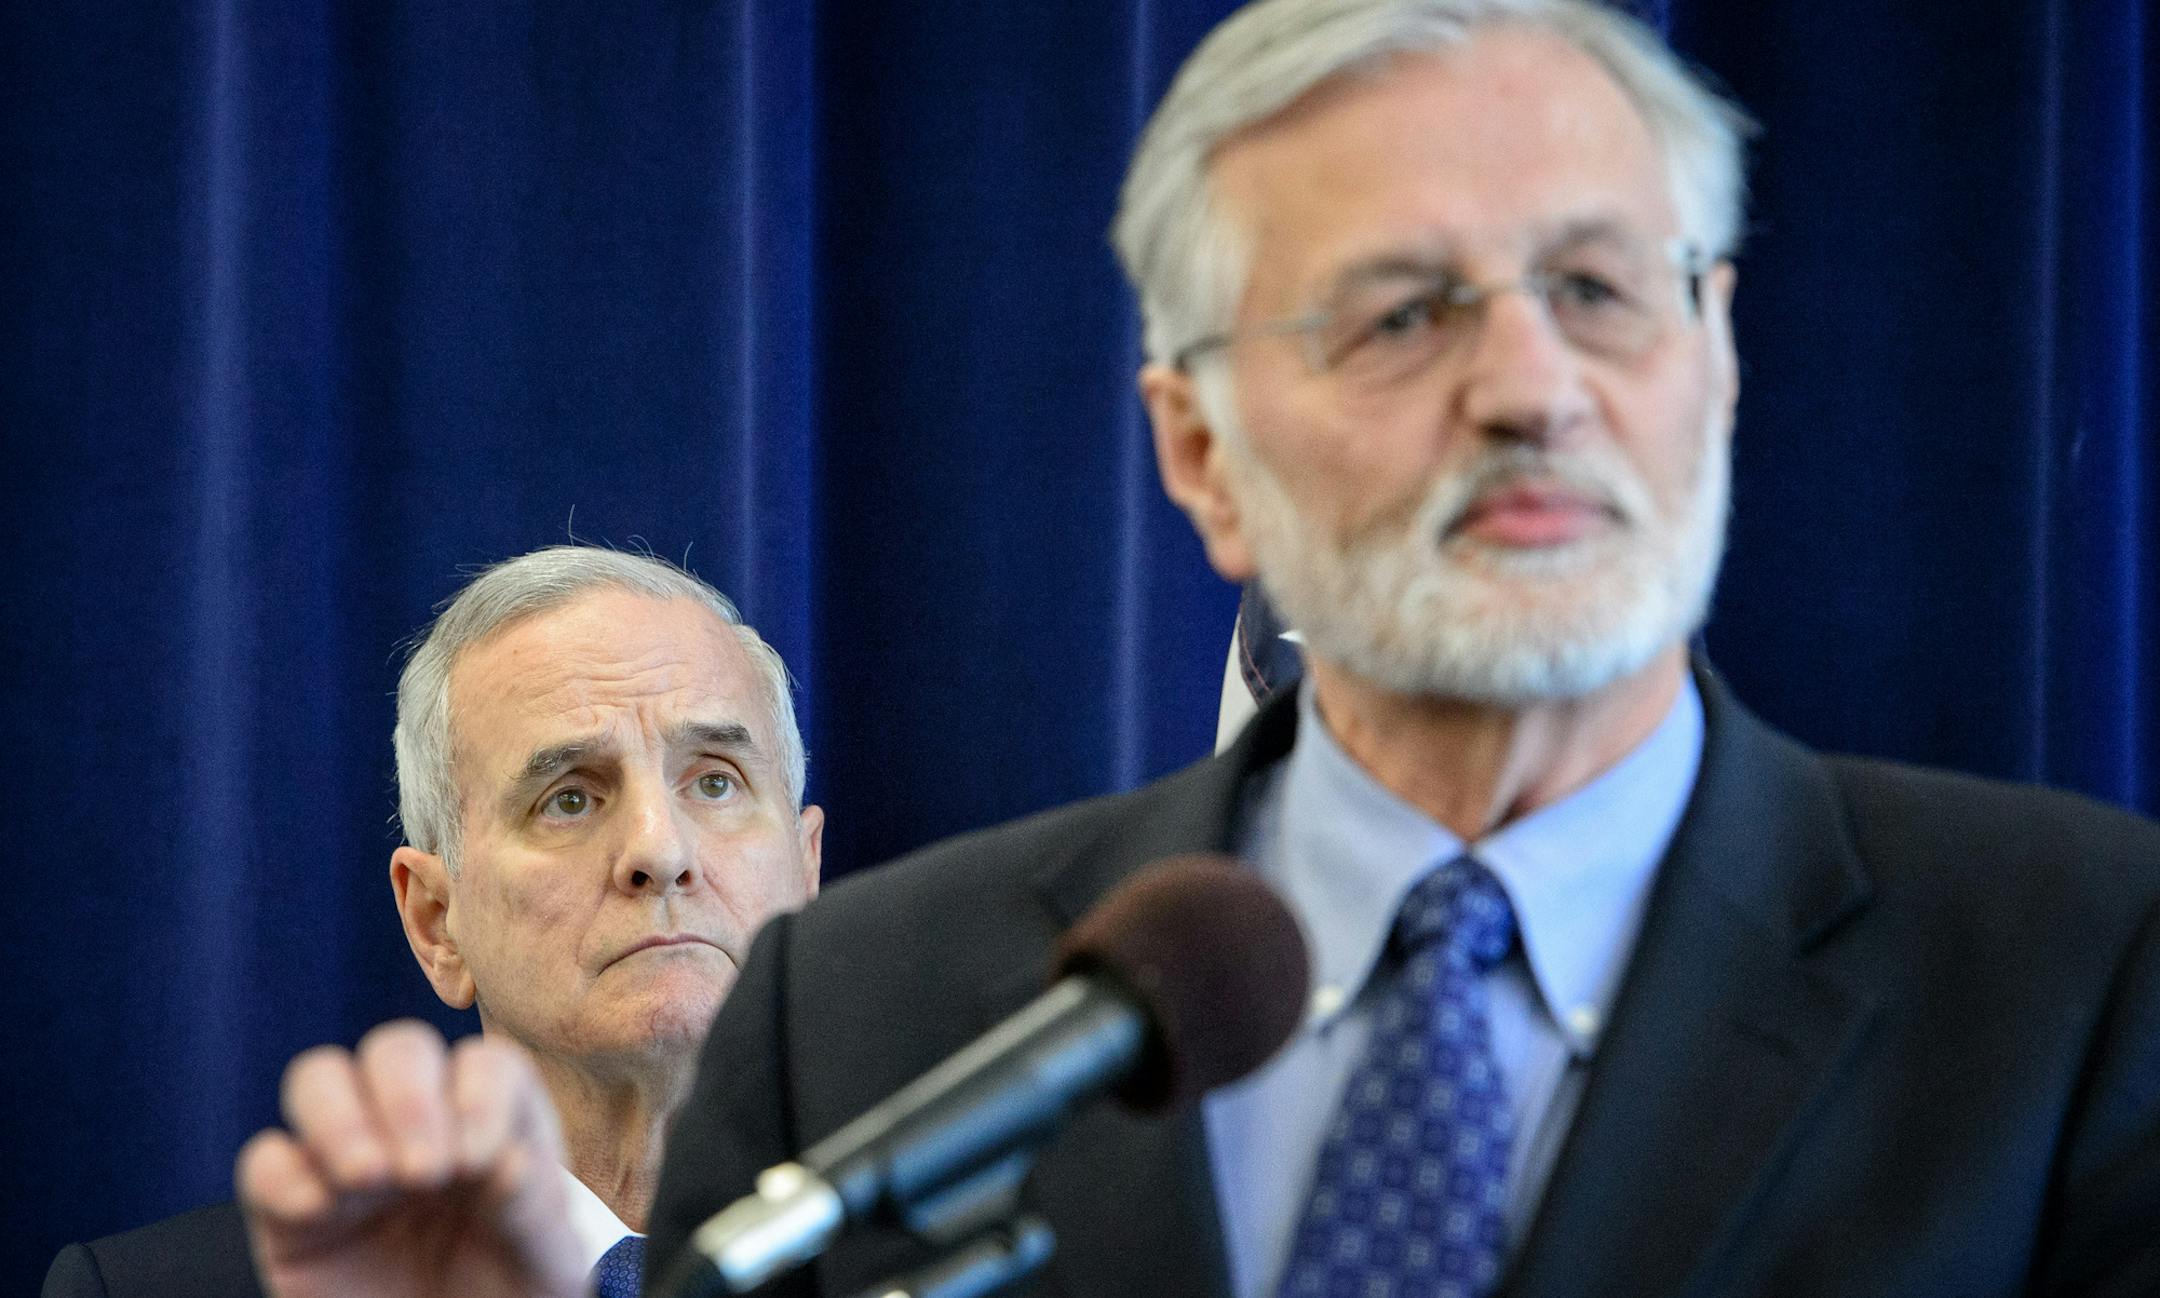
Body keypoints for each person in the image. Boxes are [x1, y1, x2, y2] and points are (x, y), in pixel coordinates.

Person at [643, 2, 2160, 1296]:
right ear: (1200, 452)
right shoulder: (851, 1017)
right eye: (1400, 316)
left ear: (1721, 354)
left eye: (1598, 289)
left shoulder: (2091, 974)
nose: (1530, 389)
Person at [42, 545, 824, 1298]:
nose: (659, 848)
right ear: (437, 923)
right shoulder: (158, 1289)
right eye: (570, 799)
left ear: (807, 867)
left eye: (716, 783)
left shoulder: (934, 1253)